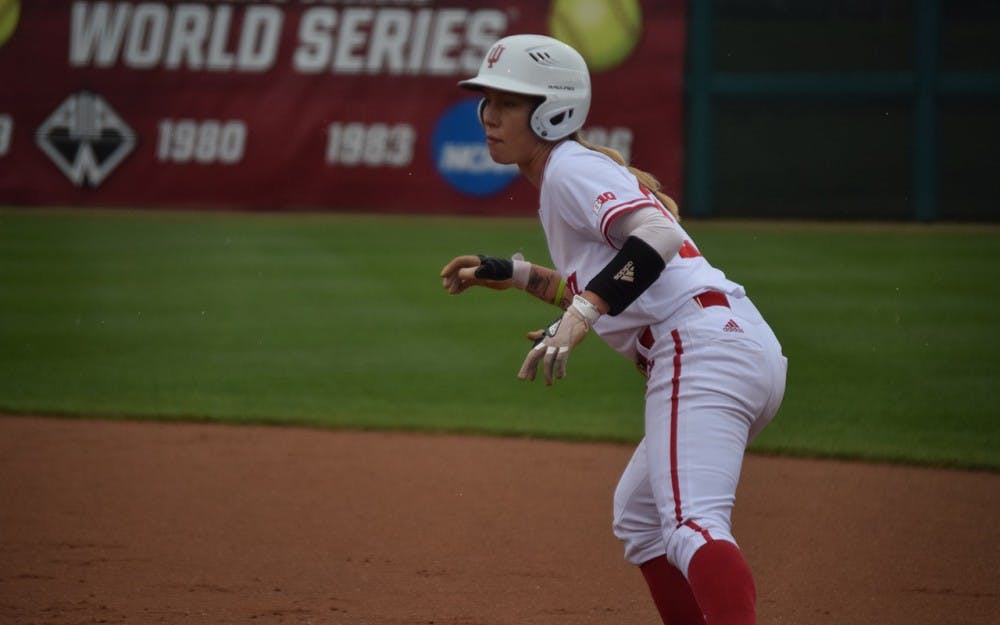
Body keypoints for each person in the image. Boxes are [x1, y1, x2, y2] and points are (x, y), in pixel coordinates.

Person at [439, 34, 787, 625]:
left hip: (699, 349)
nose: (489, 116)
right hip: (726, 342)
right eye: (486, 100)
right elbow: (607, 279)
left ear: (553, 109)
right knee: (640, 516)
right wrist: (515, 273)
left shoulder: (569, 169)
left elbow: (657, 238)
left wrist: (581, 316)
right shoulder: (569, 173)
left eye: (508, 102)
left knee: (690, 523)